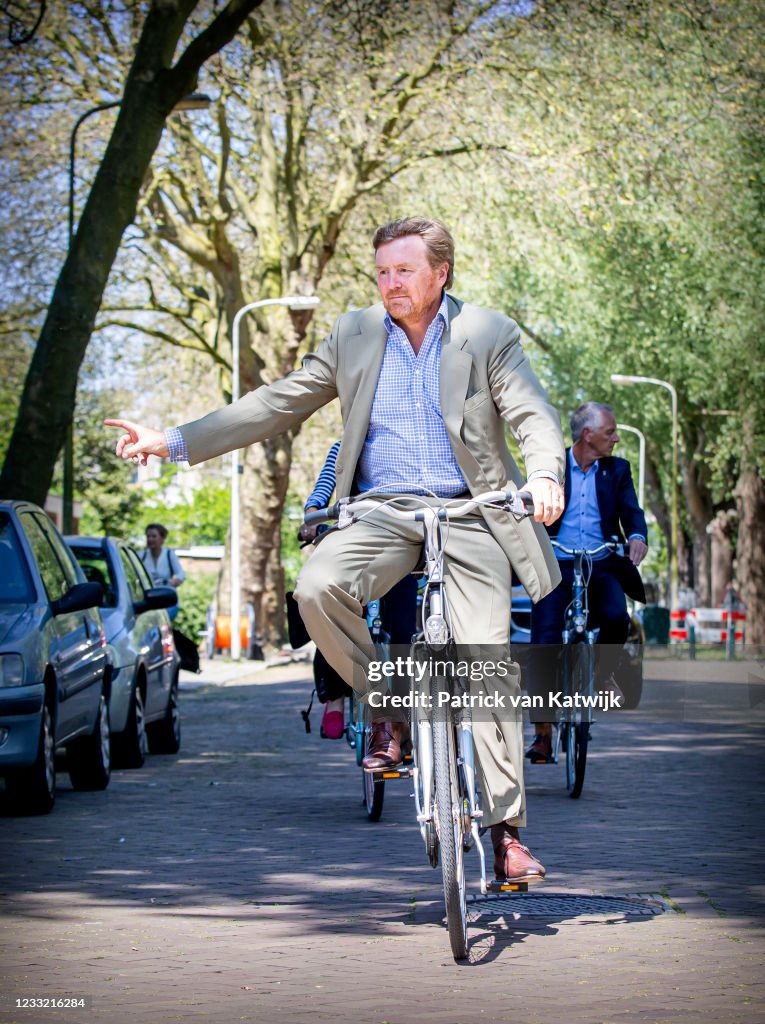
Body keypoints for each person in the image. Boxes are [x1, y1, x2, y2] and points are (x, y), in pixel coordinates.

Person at [106, 215, 566, 885]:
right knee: (317, 588)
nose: (389, 283)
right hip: (380, 511)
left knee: (485, 661)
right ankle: (386, 703)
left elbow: (529, 413)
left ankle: (503, 835)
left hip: (469, 514)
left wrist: (546, 473)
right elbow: (276, 402)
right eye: (381, 271)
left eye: (403, 271)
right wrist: (172, 441)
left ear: (439, 274)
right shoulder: (352, 335)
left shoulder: (485, 335)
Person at [525, 402, 647, 762]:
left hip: (601, 563)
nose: (616, 438)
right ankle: (543, 734)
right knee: (543, 642)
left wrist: (637, 535)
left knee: (615, 617)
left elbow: (631, 510)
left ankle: (601, 674)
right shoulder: (553, 467)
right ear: (587, 434)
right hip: (556, 563)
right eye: (610, 432)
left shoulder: (618, 470)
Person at [297, 441, 419, 739]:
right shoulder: (345, 444)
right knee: (330, 615)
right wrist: (313, 515)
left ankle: (401, 714)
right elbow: (325, 483)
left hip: (402, 541)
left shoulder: (413, 442)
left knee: (403, 631)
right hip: (354, 536)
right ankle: (335, 698)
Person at [139, 523, 186, 621]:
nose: (150, 539)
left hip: (166, 598)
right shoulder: (141, 556)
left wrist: (176, 580)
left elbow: (181, 573)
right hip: (149, 598)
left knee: (163, 620)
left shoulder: (169, 554)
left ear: (162, 539)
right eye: (148, 536)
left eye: (154, 536)